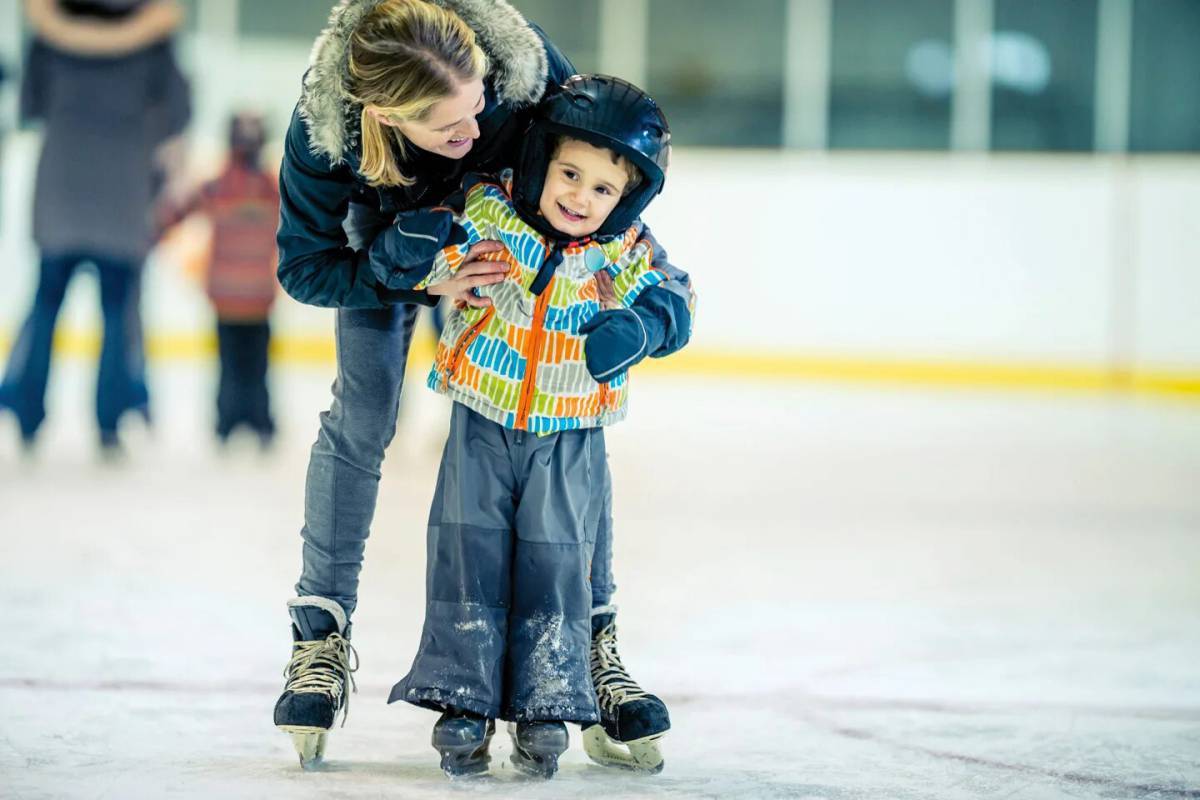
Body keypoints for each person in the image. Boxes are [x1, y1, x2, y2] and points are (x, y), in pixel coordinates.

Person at [270, 0, 693, 773]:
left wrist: (648, 309)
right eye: (448, 128)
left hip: (510, 232)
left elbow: (608, 191)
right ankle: (320, 638)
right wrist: (421, 274)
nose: (473, 132)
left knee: (567, 423)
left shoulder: (523, 70)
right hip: (391, 246)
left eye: (479, 110)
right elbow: (303, 267)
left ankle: (593, 645)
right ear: (382, 116)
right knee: (362, 418)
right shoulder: (323, 135)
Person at [375, 74, 684, 779]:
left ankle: (549, 698)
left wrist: (644, 325)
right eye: (570, 174)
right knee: (467, 557)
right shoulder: (493, 216)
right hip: (480, 419)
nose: (580, 197)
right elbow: (430, 258)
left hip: (570, 435)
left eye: (602, 189)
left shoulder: (623, 250)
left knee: (555, 564)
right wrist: (412, 246)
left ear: (626, 198)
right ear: (543, 162)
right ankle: (463, 696)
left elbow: (676, 294)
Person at [0, 0, 190, 457]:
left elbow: (31, 104)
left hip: (60, 188)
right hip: (122, 191)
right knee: (117, 310)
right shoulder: (155, 36)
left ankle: (26, 415)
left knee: (45, 305)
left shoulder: (49, 34)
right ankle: (110, 419)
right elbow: (176, 112)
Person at [158, 113, 280, 447]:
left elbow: (173, 214)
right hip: (256, 294)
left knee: (231, 364)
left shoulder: (218, 184)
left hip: (228, 294)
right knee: (257, 364)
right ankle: (259, 423)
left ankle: (228, 423)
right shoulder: (271, 187)